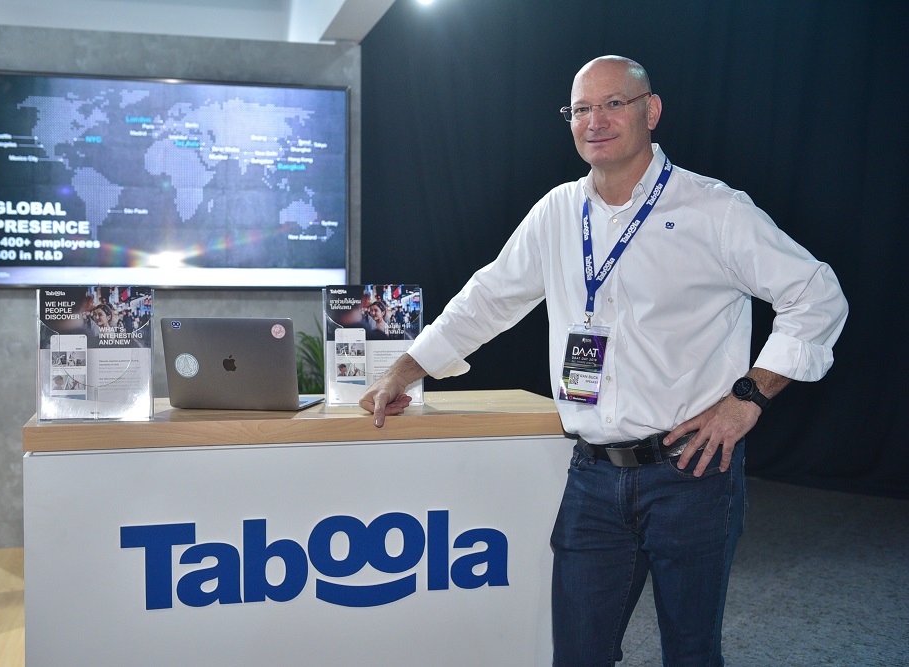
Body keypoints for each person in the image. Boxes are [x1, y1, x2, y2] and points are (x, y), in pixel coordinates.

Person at [359, 56, 848, 666]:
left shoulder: (714, 210)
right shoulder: (558, 212)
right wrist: (406, 368)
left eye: (613, 103)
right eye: (581, 108)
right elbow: (489, 298)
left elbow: (817, 295)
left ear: (651, 110)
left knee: (691, 654)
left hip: (691, 472)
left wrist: (747, 398)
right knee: (579, 655)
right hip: (592, 476)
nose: (595, 120)